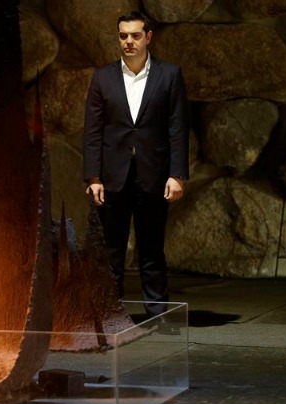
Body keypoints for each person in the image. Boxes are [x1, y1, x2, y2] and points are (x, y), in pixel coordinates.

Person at [83, 11, 189, 334]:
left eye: (135, 35)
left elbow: (178, 128)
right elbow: (93, 132)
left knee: (152, 249)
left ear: (148, 37)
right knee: (112, 253)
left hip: (154, 176)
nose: (128, 41)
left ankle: (158, 316)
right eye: (123, 36)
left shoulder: (169, 75)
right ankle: (111, 316)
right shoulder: (103, 78)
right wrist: (93, 177)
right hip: (113, 177)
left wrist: (177, 174)